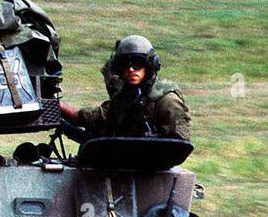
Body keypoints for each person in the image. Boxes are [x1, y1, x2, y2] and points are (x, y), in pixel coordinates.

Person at [59, 35, 191, 140]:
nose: (131, 69)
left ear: (150, 65)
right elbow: (100, 119)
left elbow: (179, 144)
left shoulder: (166, 100)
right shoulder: (125, 97)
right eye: (124, 65)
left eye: (138, 63)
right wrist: (58, 107)